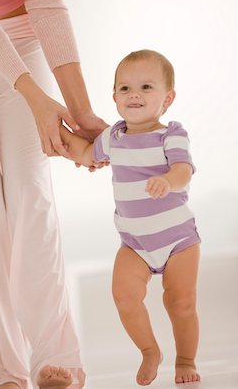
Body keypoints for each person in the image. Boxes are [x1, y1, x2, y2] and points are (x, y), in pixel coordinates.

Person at [0, 0, 107, 388]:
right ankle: (7, 371)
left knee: (33, 196)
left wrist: (79, 111)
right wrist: (37, 100)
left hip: (22, 43)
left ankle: (55, 357)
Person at [59, 49, 201, 386]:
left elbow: (183, 170)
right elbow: (82, 152)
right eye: (125, 89)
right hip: (134, 243)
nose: (133, 94)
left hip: (178, 239)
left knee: (180, 302)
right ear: (114, 98)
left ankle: (185, 358)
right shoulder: (114, 137)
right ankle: (150, 350)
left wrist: (167, 181)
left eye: (146, 87)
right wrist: (56, 131)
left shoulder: (172, 134)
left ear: (167, 98)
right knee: (124, 297)